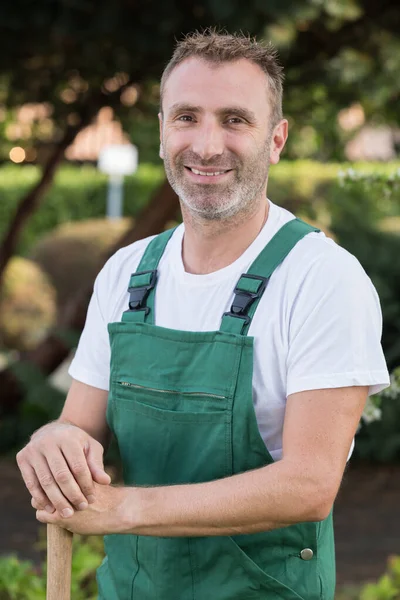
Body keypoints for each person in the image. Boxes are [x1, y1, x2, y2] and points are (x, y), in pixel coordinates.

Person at [16, 29, 390, 600]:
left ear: (277, 139)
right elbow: (78, 424)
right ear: (163, 130)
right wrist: (54, 442)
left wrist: (125, 508)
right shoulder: (126, 273)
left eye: (235, 120)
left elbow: (309, 484)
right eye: (187, 117)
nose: (208, 145)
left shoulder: (322, 279)